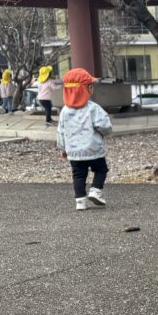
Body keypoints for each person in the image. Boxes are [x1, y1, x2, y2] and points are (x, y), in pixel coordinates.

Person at [56, 68, 112, 211]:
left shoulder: (64, 111)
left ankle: (80, 201)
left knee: (78, 175)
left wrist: (63, 148)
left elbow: (60, 131)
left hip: (74, 152)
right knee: (101, 169)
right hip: (93, 148)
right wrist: (105, 132)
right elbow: (105, 126)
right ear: (87, 89)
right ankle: (96, 190)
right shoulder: (93, 108)